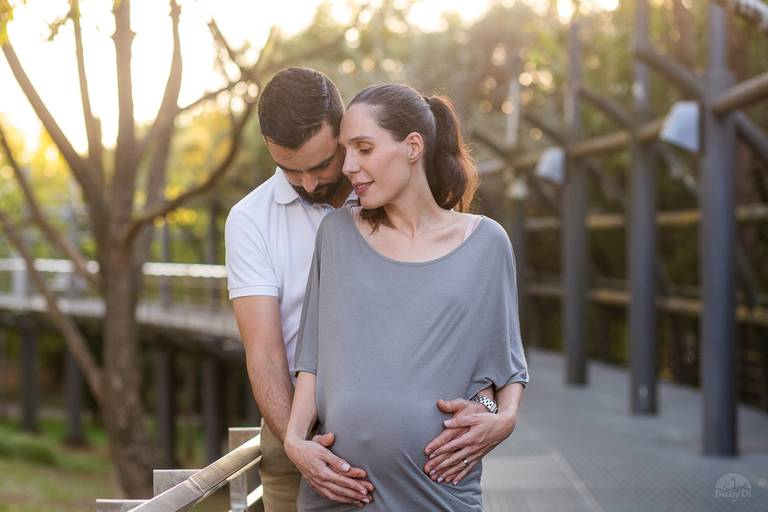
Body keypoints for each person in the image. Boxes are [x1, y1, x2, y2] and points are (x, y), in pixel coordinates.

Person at [284, 83, 530, 511]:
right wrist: (293, 442)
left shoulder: (486, 243)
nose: (348, 166)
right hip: (338, 492)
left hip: (438, 491)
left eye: (364, 148)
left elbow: (502, 371)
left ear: (413, 146)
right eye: (346, 151)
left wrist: (500, 418)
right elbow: (312, 361)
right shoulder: (337, 235)